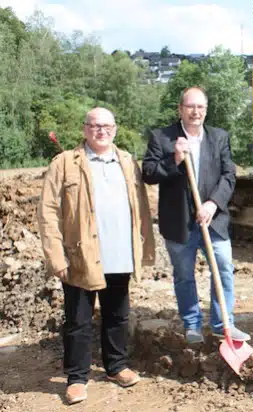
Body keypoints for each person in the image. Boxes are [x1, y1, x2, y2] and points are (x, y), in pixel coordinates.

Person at [37, 107, 155, 405]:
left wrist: (143, 248)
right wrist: (56, 256)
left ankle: (116, 366)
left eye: (107, 126)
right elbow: (47, 212)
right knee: (78, 319)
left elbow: (140, 206)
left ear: (115, 128)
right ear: (84, 129)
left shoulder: (127, 161)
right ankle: (77, 378)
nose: (101, 131)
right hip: (81, 256)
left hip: (120, 253)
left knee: (117, 314)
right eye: (94, 125)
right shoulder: (64, 163)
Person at [142, 87, 250, 344]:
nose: (195, 112)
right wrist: (175, 160)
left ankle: (223, 322)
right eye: (190, 107)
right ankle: (192, 324)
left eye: (200, 107)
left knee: (223, 267)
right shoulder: (163, 138)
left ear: (206, 110)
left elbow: (228, 175)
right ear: (180, 109)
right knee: (184, 275)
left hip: (213, 219)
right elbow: (148, 172)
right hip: (179, 222)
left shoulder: (219, 137)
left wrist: (213, 203)